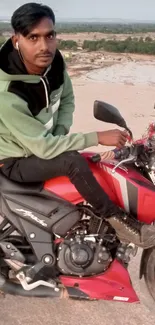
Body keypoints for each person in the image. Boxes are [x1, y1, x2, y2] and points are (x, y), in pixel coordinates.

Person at [0, 2, 154, 249]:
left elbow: (67, 99)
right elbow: (42, 148)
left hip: (40, 146)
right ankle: (119, 223)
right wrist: (97, 136)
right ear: (17, 39)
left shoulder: (54, 64)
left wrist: (59, 134)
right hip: (15, 160)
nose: (44, 45)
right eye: (33, 37)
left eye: (49, 36)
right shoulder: (7, 92)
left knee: (92, 162)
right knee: (73, 161)